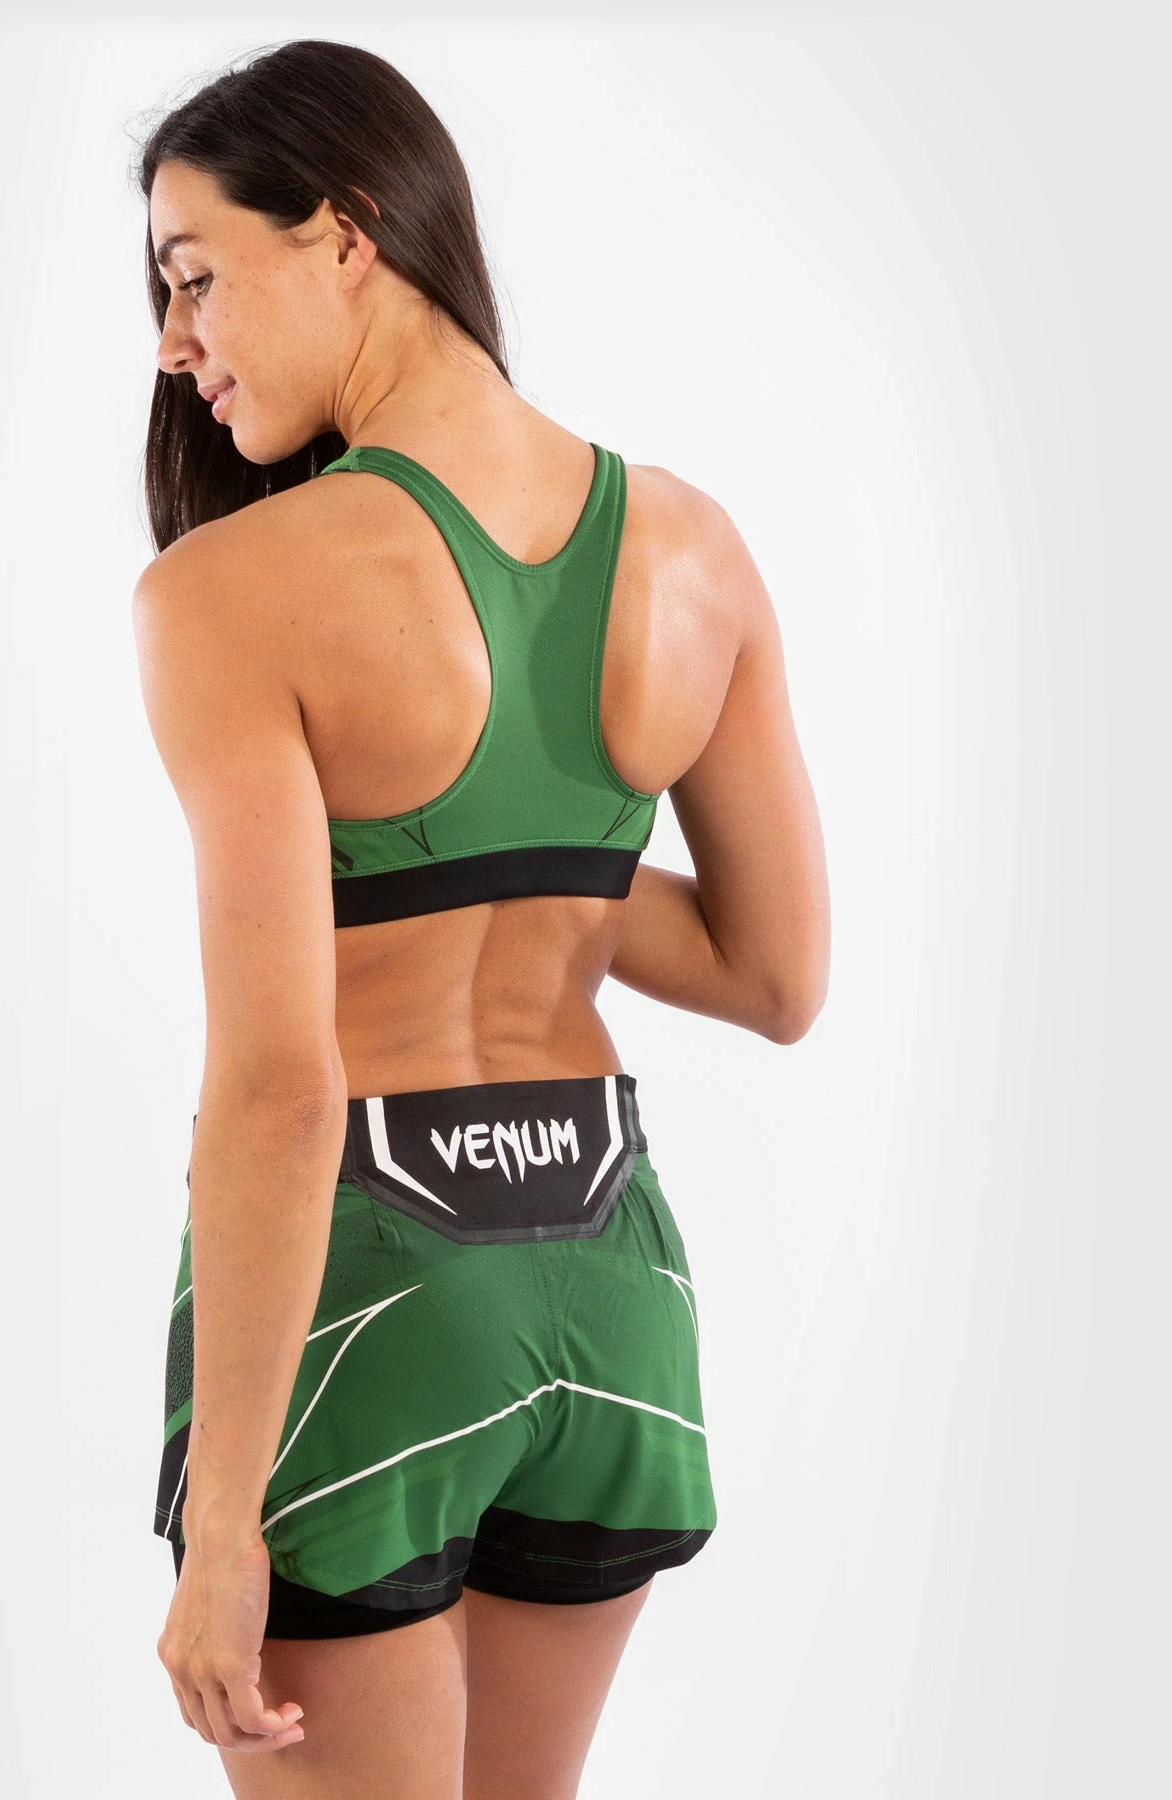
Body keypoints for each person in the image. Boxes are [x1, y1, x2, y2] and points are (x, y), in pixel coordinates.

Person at [131, 38, 829, 1800]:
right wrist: (542, 871)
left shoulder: (233, 591)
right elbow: (775, 974)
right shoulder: (691, 548)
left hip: (374, 1291)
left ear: (347, 231)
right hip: (612, 1287)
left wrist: (226, 1524)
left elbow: (281, 1088)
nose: (173, 343)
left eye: (196, 275)